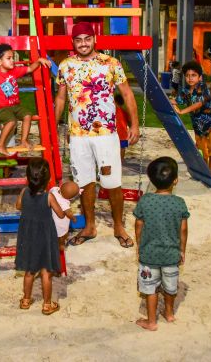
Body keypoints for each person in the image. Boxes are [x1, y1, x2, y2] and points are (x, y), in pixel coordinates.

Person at [54, 22, 140, 248]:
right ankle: (90, 226)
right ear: (73, 42)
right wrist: (54, 125)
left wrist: (135, 125)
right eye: (78, 39)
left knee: (112, 182)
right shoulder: (66, 66)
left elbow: (128, 94)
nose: (83, 43)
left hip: (106, 134)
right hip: (78, 136)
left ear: (94, 39)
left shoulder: (111, 63)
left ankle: (119, 226)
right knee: (84, 182)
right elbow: (61, 98)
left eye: (87, 38)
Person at [133, 156, 190, 332]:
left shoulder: (145, 201)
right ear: (176, 180)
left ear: (151, 180)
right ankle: (169, 313)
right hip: (171, 255)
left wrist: (139, 244)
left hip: (149, 255)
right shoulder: (179, 203)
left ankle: (151, 321)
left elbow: (138, 225)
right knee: (170, 287)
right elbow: (183, 230)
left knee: (150, 289)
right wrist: (182, 250)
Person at [0, 43, 51, 156]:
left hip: (14, 106)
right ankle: (0, 145)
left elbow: (30, 68)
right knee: (11, 121)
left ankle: (23, 141)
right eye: (9, 58)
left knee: (27, 115)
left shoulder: (14, 71)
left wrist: (39, 61)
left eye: (13, 58)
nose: (12, 60)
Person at [15, 158, 65, 315]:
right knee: (46, 273)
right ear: (48, 178)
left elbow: (18, 206)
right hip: (45, 238)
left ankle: (25, 300)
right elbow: (60, 214)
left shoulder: (24, 192)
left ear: (27, 178)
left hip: (28, 237)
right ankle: (47, 304)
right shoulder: (49, 197)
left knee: (29, 271)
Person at [171, 61, 211, 178]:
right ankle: (204, 168)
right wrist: (169, 102)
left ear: (200, 77)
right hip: (198, 124)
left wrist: (182, 111)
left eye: (193, 75)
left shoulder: (203, 88)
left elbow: (199, 103)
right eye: (187, 76)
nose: (190, 78)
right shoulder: (185, 91)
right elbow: (177, 101)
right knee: (201, 147)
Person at [49, 180, 79, 251]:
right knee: (62, 236)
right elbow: (68, 213)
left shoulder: (54, 190)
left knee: (54, 234)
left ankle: (53, 242)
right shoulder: (64, 203)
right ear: (70, 198)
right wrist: (74, 219)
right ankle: (61, 245)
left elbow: (50, 191)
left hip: (52, 218)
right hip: (60, 223)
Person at [115, 93, 132, 161]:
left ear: (115, 101)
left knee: (113, 147)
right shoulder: (124, 112)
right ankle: (121, 160)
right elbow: (129, 123)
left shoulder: (113, 110)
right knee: (122, 148)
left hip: (115, 133)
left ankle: (115, 160)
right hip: (124, 134)